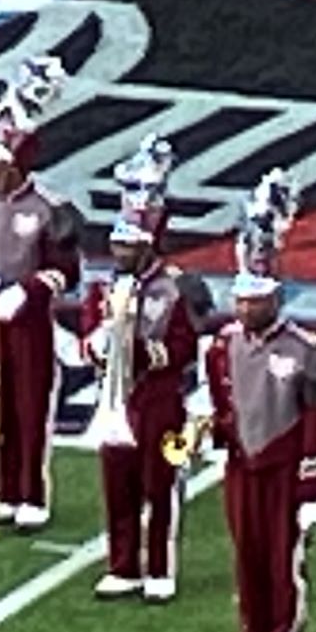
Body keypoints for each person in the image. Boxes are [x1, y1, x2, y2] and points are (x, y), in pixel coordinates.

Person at [203, 170, 316, 632]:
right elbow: (223, 401)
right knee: (248, 557)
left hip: (285, 465)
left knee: (284, 560)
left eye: (254, 298)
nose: (244, 308)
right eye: (239, 298)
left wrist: (315, 485)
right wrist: (218, 437)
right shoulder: (223, 346)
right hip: (243, 463)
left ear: (275, 298)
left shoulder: (306, 350)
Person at [79, 140, 209, 602]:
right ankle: (122, 565)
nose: (119, 252)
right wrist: (99, 344)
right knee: (118, 485)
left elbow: (182, 347)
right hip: (117, 396)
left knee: (160, 483)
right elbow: (85, 339)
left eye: (128, 244)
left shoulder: (174, 290)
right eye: (116, 243)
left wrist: (132, 343)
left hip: (159, 398)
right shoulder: (102, 288)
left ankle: (159, 567)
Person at [0, 60, 83, 534]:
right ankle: (1, 490)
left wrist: (27, 291)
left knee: (31, 406)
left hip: (29, 324)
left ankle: (32, 493)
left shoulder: (47, 209)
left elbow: (65, 271)